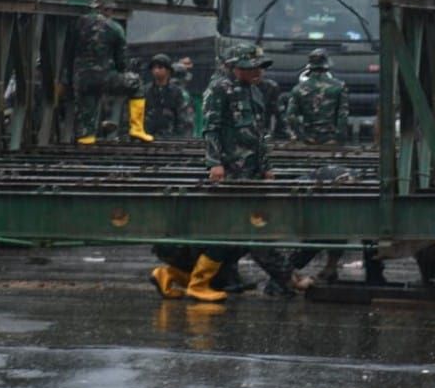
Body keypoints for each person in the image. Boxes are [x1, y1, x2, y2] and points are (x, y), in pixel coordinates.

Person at [150, 44, 310, 301]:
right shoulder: (219, 90)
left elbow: (260, 135)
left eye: (260, 67)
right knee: (236, 230)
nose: (258, 71)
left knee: (242, 232)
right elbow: (211, 129)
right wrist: (214, 163)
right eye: (253, 66)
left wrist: (267, 168)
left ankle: (173, 275)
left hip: (250, 174)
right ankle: (200, 284)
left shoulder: (255, 92)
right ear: (237, 67)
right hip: (230, 173)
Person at [65, 0, 152, 144]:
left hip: (81, 80)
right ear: (106, 9)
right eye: (111, 10)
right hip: (105, 78)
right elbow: (121, 62)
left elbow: (69, 52)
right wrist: (119, 73)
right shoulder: (114, 28)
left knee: (87, 119)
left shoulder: (77, 24)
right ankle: (137, 129)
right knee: (136, 83)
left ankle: (87, 138)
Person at [285, 49, 351, 144]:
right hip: (331, 138)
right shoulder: (339, 87)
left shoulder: (298, 89)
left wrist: (302, 136)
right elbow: (343, 116)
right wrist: (339, 138)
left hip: (309, 137)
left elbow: (291, 116)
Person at [144, 53, 194, 139]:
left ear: (168, 71)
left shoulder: (177, 92)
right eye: (154, 68)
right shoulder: (145, 91)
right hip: (147, 138)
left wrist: (180, 140)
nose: (156, 71)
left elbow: (184, 121)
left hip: (170, 140)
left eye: (160, 67)